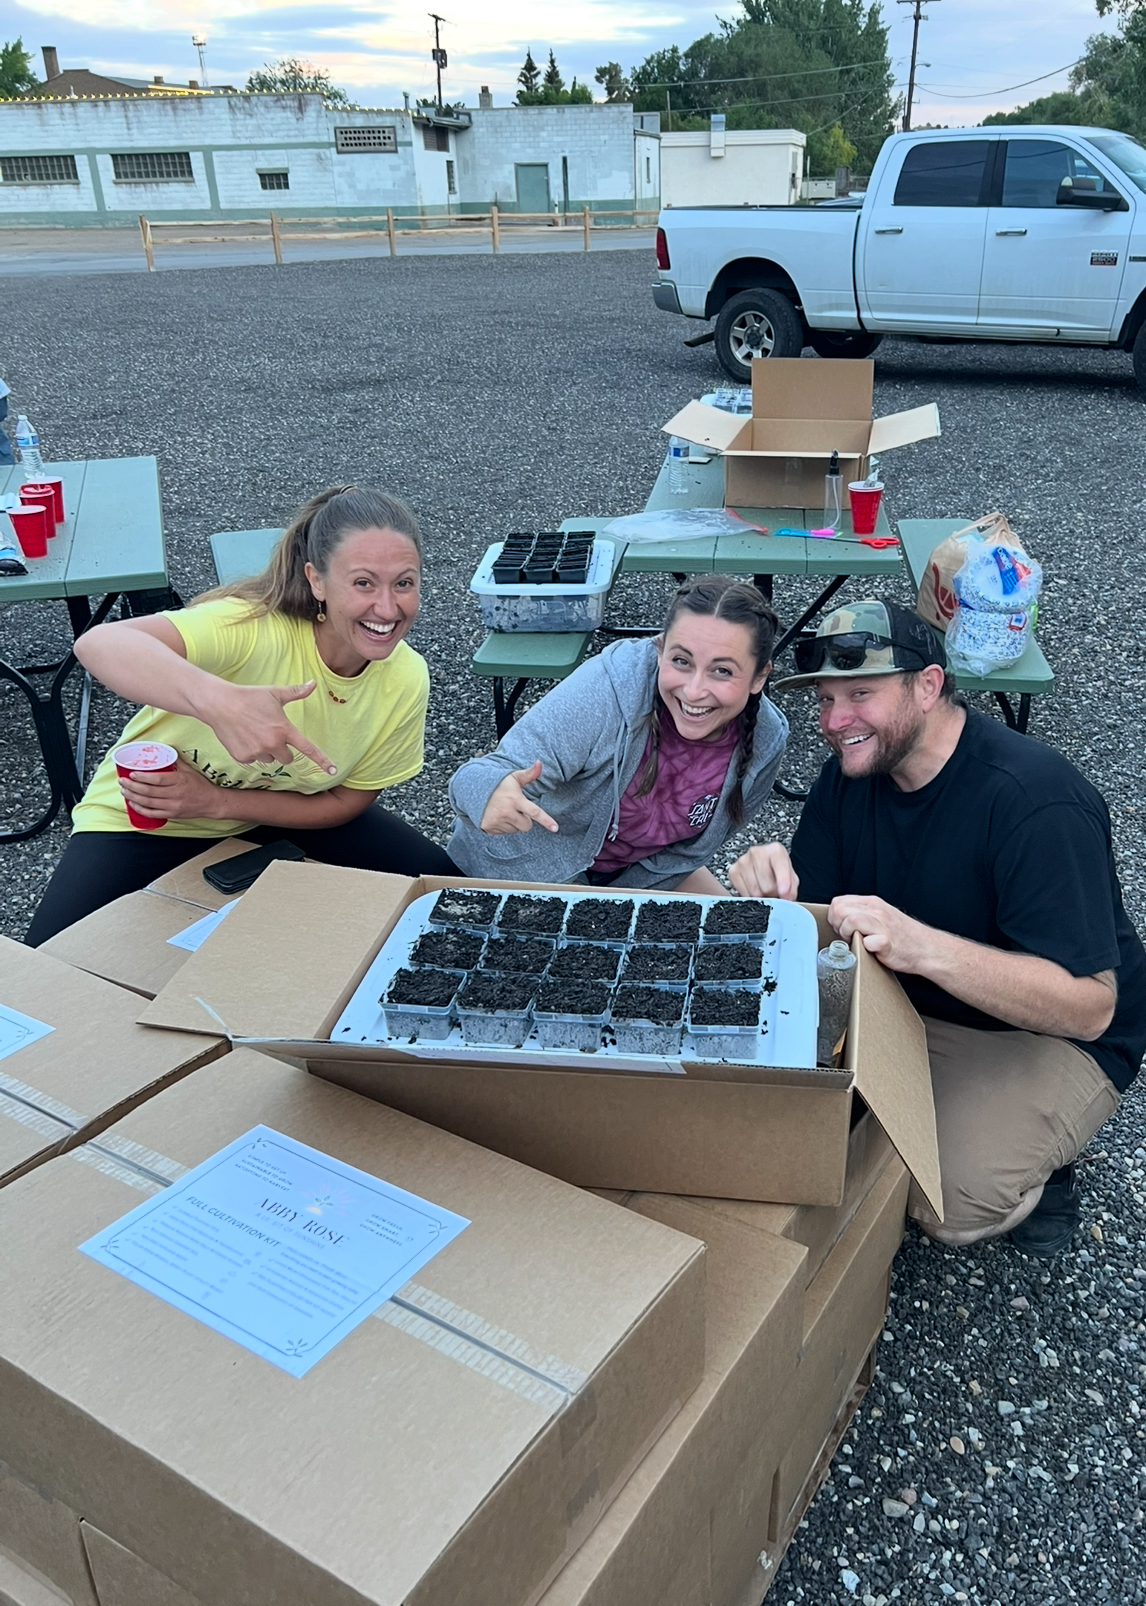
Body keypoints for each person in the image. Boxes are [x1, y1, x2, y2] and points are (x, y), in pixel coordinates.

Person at [729, 598, 1146, 1258]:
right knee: (781, 1132)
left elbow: (1091, 1007)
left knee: (944, 1204)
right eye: (826, 700)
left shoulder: (1034, 801)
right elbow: (813, 920)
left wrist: (923, 946)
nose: (835, 723)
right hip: (913, 1002)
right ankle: (928, 1100)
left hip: (1041, 1032)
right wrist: (766, 886)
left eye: (860, 694)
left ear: (928, 686)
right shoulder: (853, 772)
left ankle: (1045, 1165)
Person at [26, 485, 457, 945]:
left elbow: (345, 804)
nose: (387, 608)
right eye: (363, 583)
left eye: (404, 583)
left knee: (448, 893)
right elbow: (100, 644)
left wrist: (214, 801)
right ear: (316, 581)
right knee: (49, 961)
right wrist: (219, 701)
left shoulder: (406, 676)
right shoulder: (250, 626)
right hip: (154, 813)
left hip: (276, 809)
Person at [449, 575, 787, 892]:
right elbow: (480, 776)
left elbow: (691, 854)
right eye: (681, 661)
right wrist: (490, 793)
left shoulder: (766, 740)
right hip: (519, 873)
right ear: (660, 649)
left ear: (760, 677)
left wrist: (618, 907)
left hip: (634, 881)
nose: (694, 690)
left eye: (722, 670)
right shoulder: (609, 689)